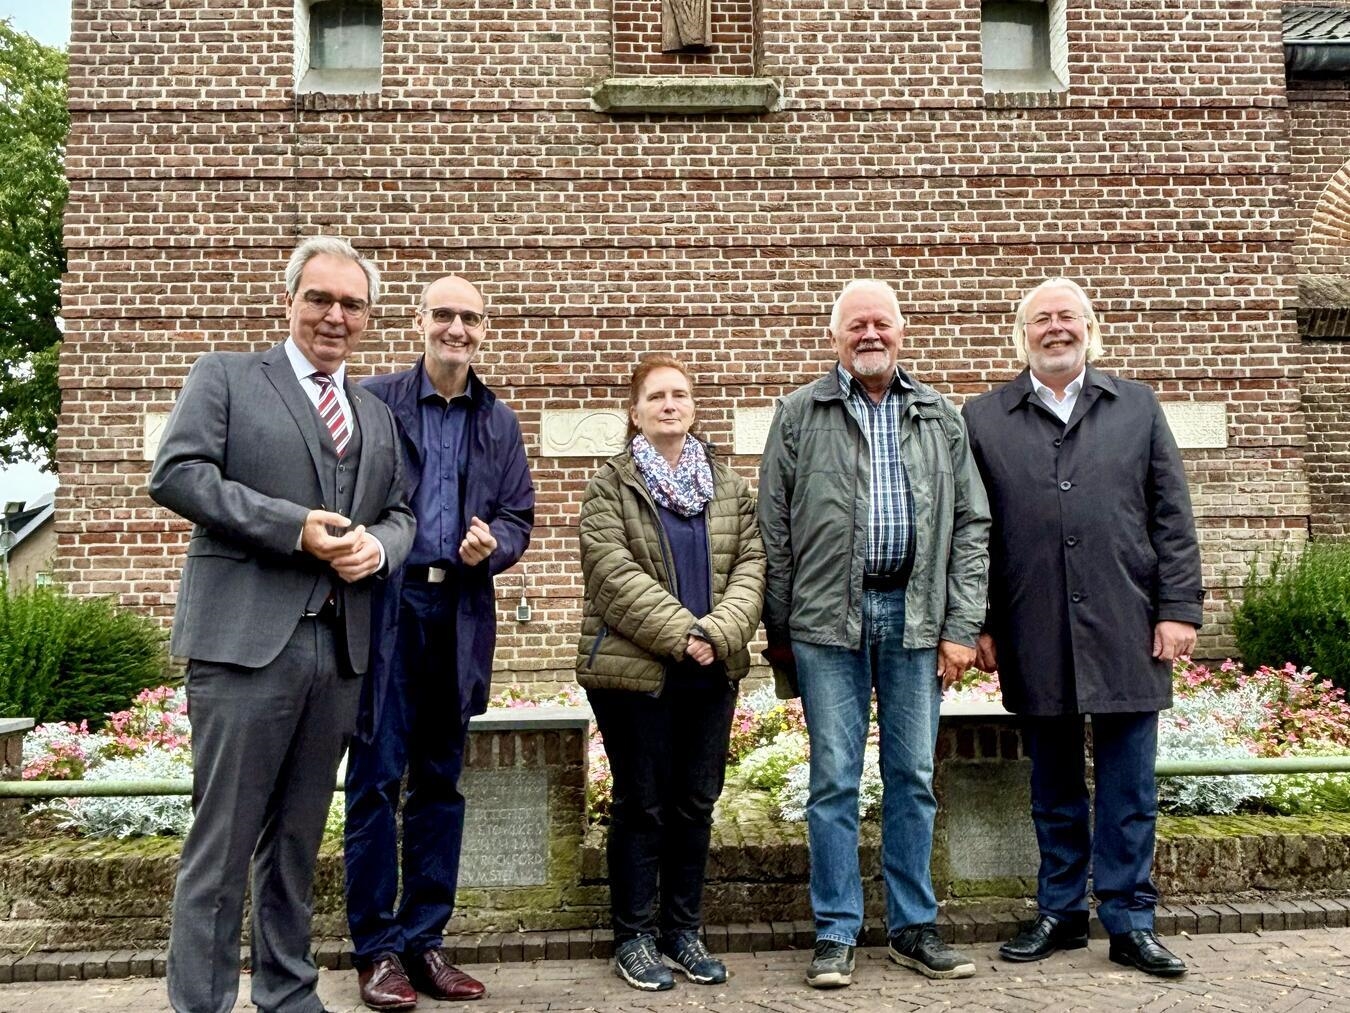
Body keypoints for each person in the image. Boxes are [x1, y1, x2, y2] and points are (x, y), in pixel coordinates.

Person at [148, 236, 415, 1013]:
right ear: (289, 300)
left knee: (297, 838)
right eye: (320, 298)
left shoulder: (374, 413)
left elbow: (399, 512)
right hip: (244, 644)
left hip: (338, 649)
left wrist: (379, 546)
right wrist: (293, 526)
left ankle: (288, 992)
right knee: (223, 839)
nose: (335, 315)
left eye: (352, 304)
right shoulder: (226, 376)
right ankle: (200, 1002)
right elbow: (178, 473)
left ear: (368, 318)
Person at [962, 277, 1204, 979]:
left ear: (1091, 328)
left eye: (1068, 316)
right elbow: (972, 531)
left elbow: (1172, 515)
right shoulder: (984, 418)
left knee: (1129, 787)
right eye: (1042, 319)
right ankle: (1061, 912)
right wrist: (978, 623)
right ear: (1022, 334)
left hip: (1128, 621)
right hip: (1033, 625)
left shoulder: (1137, 406)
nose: (1056, 328)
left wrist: (1178, 608)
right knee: (1054, 786)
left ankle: (1130, 920)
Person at [757, 280, 990, 989]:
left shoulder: (940, 416)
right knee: (833, 780)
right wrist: (781, 634)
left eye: (881, 324)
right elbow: (775, 530)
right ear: (835, 337)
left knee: (913, 777)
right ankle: (835, 930)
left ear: (901, 332)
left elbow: (972, 526)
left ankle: (915, 927)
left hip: (916, 621)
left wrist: (961, 624)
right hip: (827, 624)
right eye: (855, 325)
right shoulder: (799, 413)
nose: (869, 335)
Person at [342, 275, 535, 1010]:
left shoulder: (500, 421)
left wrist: (498, 544)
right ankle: (376, 950)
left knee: (439, 784)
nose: (457, 328)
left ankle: (425, 942)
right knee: (374, 779)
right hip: (386, 605)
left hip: (457, 610)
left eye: (470, 318)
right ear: (420, 321)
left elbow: (519, 512)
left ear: (485, 328)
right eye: (444, 315)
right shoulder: (376, 403)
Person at [575, 354, 765, 992]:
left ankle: (683, 930)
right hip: (636, 674)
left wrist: (717, 633)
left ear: (693, 407)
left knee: (695, 802)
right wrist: (685, 634)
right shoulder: (610, 487)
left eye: (679, 394)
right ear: (635, 412)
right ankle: (634, 936)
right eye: (655, 396)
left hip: (712, 670)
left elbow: (752, 563)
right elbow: (610, 574)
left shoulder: (729, 486)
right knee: (643, 803)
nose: (669, 404)